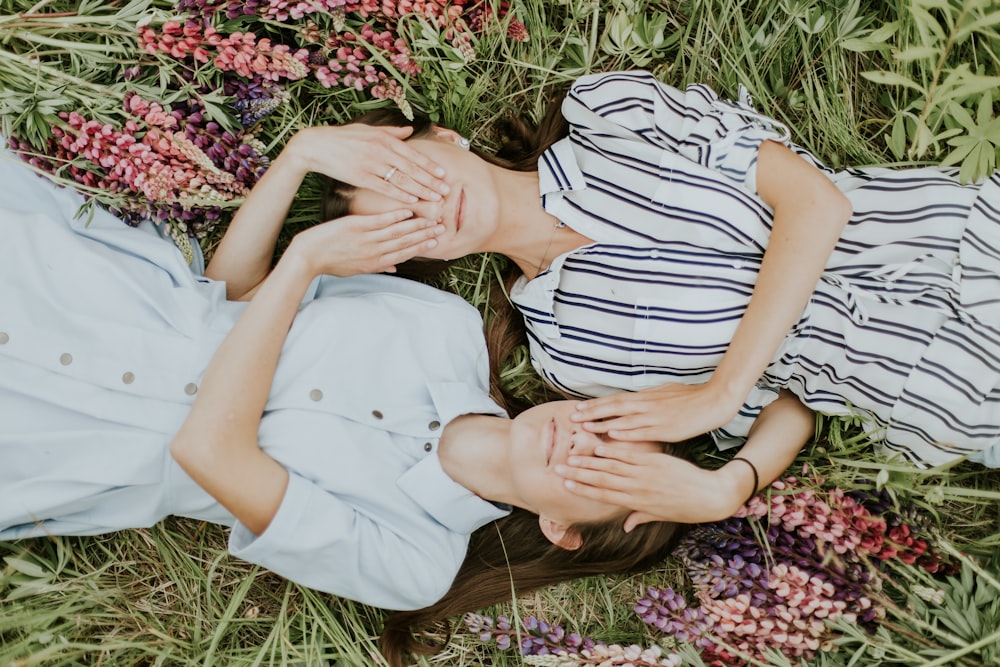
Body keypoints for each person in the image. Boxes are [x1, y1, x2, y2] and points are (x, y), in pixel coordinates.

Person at [0, 125, 685, 666]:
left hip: (66, 441)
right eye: (611, 428)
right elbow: (230, 303)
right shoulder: (444, 326)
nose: (580, 440)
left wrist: (302, 262)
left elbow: (208, 452)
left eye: (598, 470)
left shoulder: (416, 561)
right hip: (94, 298)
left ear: (560, 529)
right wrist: (296, 159)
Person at [321, 69, 1000, 529]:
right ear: (414, 257)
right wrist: (729, 484)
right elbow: (789, 403)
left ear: (443, 137)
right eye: (405, 222)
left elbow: (816, 202)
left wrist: (720, 390)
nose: (431, 206)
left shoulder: (610, 114)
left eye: (414, 177)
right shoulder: (568, 354)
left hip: (948, 234)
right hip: (935, 386)